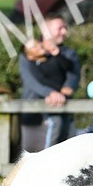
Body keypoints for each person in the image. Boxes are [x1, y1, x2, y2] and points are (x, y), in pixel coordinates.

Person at [19, 16, 80, 152]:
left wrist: (64, 92)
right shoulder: (28, 51)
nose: (64, 32)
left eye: (65, 28)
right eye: (60, 28)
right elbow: (30, 81)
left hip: (62, 110)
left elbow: (73, 76)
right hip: (34, 117)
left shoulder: (68, 54)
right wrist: (50, 93)